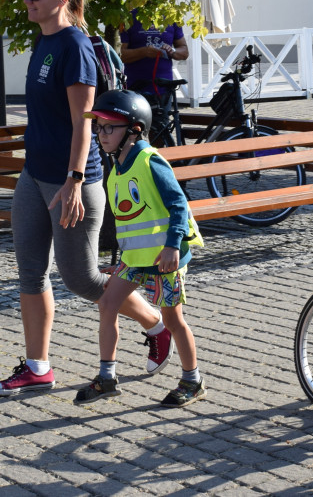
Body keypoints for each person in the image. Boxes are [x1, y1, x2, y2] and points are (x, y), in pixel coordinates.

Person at [0, 0, 172, 396]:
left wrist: (73, 181)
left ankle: (157, 324)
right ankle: (37, 368)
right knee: (30, 272)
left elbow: (83, 124)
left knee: (82, 280)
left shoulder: (74, 47)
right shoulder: (42, 42)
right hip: (34, 175)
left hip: (73, 180)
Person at [76, 89, 206, 408]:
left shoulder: (150, 161)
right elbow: (130, 223)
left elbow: (178, 205)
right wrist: (121, 263)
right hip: (136, 260)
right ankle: (107, 378)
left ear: (133, 130)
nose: (101, 134)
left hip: (165, 258)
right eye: (99, 127)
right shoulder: (116, 169)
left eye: (109, 127)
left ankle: (193, 381)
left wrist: (173, 246)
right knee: (107, 304)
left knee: (173, 320)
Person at [120, 11, 188, 96]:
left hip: (164, 87)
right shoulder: (129, 17)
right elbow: (120, 55)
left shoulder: (172, 15)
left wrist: (172, 51)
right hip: (134, 87)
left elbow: (184, 52)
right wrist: (144, 52)